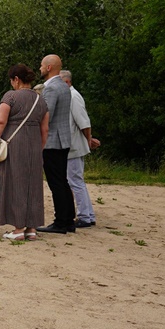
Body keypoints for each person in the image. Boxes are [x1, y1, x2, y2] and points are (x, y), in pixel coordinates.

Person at [0, 64, 50, 241]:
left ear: (16, 79)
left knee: (15, 182)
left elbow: (0, 121)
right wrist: (40, 147)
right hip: (35, 144)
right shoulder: (41, 100)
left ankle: (18, 229)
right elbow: (45, 129)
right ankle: (31, 228)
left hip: (14, 143)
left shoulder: (10, 96)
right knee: (33, 184)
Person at [37, 54, 76, 234]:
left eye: (42, 66)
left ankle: (61, 221)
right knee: (62, 180)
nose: (40, 69)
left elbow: (47, 114)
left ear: (49, 67)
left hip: (52, 140)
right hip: (64, 138)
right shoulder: (64, 86)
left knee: (56, 182)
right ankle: (68, 220)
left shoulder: (51, 88)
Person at [61, 70, 100, 228]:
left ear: (67, 82)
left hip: (75, 146)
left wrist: (88, 139)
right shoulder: (68, 96)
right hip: (73, 145)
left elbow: (84, 122)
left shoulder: (73, 97)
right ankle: (88, 214)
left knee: (75, 181)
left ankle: (84, 216)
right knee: (76, 181)